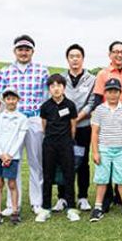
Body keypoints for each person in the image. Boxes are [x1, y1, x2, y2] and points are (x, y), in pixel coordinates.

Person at [0, 35, 50, 215]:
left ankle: (37, 202)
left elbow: (46, 98)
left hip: (34, 119)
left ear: (32, 51)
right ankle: (12, 204)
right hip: (13, 120)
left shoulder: (42, 71)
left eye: (27, 49)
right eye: (20, 49)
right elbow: (1, 101)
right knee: (12, 160)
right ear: (15, 51)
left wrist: (44, 121)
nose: (23, 52)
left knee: (36, 162)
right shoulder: (5, 72)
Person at [92, 41, 122, 209]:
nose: (119, 55)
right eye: (116, 52)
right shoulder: (103, 74)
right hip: (107, 124)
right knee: (106, 162)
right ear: (110, 54)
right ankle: (106, 198)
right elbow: (97, 99)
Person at [55, 44, 96, 213]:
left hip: (83, 127)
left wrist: (76, 118)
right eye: (71, 56)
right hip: (63, 128)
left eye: (77, 56)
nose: (74, 59)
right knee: (63, 162)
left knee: (82, 162)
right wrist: (68, 120)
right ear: (67, 59)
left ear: (82, 59)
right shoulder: (60, 78)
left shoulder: (91, 79)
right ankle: (62, 197)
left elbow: (92, 102)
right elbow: (57, 99)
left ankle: (83, 197)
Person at [89, 78, 122, 222]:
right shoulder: (99, 110)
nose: (112, 94)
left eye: (115, 91)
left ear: (120, 92)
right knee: (102, 179)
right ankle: (98, 207)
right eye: (109, 91)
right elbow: (95, 132)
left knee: (121, 179)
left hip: (121, 149)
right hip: (104, 149)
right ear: (105, 93)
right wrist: (95, 152)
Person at [35, 74, 80, 223]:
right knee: (48, 175)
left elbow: (73, 126)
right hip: (49, 144)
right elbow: (44, 125)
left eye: (59, 85)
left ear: (64, 87)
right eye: (53, 86)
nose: (56, 88)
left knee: (68, 175)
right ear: (49, 89)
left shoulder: (70, 105)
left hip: (66, 143)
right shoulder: (45, 106)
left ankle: (71, 208)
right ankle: (45, 208)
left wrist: (68, 140)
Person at [0, 88, 28, 227]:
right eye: (8, 99)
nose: (11, 101)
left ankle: (15, 210)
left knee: (12, 183)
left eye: (13, 98)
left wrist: (10, 155)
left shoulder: (22, 118)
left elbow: (20, 139)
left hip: (13, 156)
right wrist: (1, 154)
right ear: (4, 100)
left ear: (18, 100)